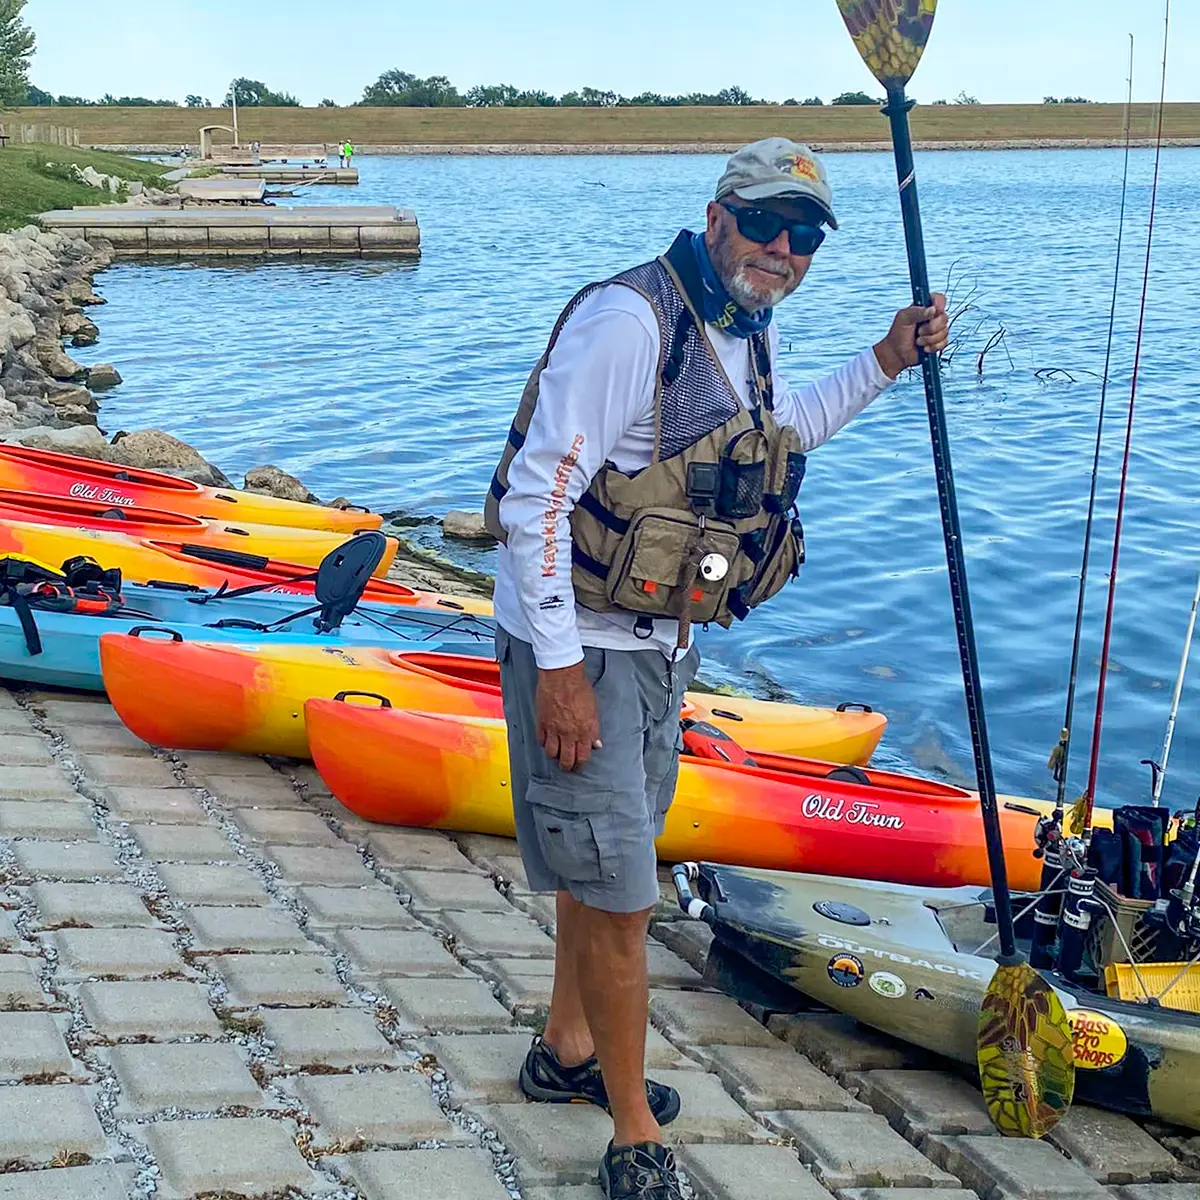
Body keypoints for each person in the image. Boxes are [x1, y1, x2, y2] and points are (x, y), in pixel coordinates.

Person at [484, 136, 949, 1200]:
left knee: (607, 869)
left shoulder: (743, 329)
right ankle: (635, 1129)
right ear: (717, 215)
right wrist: (556, 668)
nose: (784, 251)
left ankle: (566, 1051)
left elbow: (775, 442)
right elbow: (536, 501)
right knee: (624, 901)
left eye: (805, 237)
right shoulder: (628, 321)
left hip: (654, 647)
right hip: (585, 649)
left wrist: (885, 359)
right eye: (767, 224)